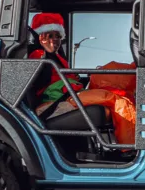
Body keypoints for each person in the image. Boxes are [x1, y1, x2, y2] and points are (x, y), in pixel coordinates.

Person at [28, 12, 137, 146]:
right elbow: (36, 79)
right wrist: (43, 52)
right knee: (117, 100)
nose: (55, 40)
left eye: (58, 36)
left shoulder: (58, 58)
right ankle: (130, 148)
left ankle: (135, 69)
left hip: (72, 95)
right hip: (57, 101)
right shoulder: (38, 55)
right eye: (50, 36)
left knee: (114, 79)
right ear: (40, 37)